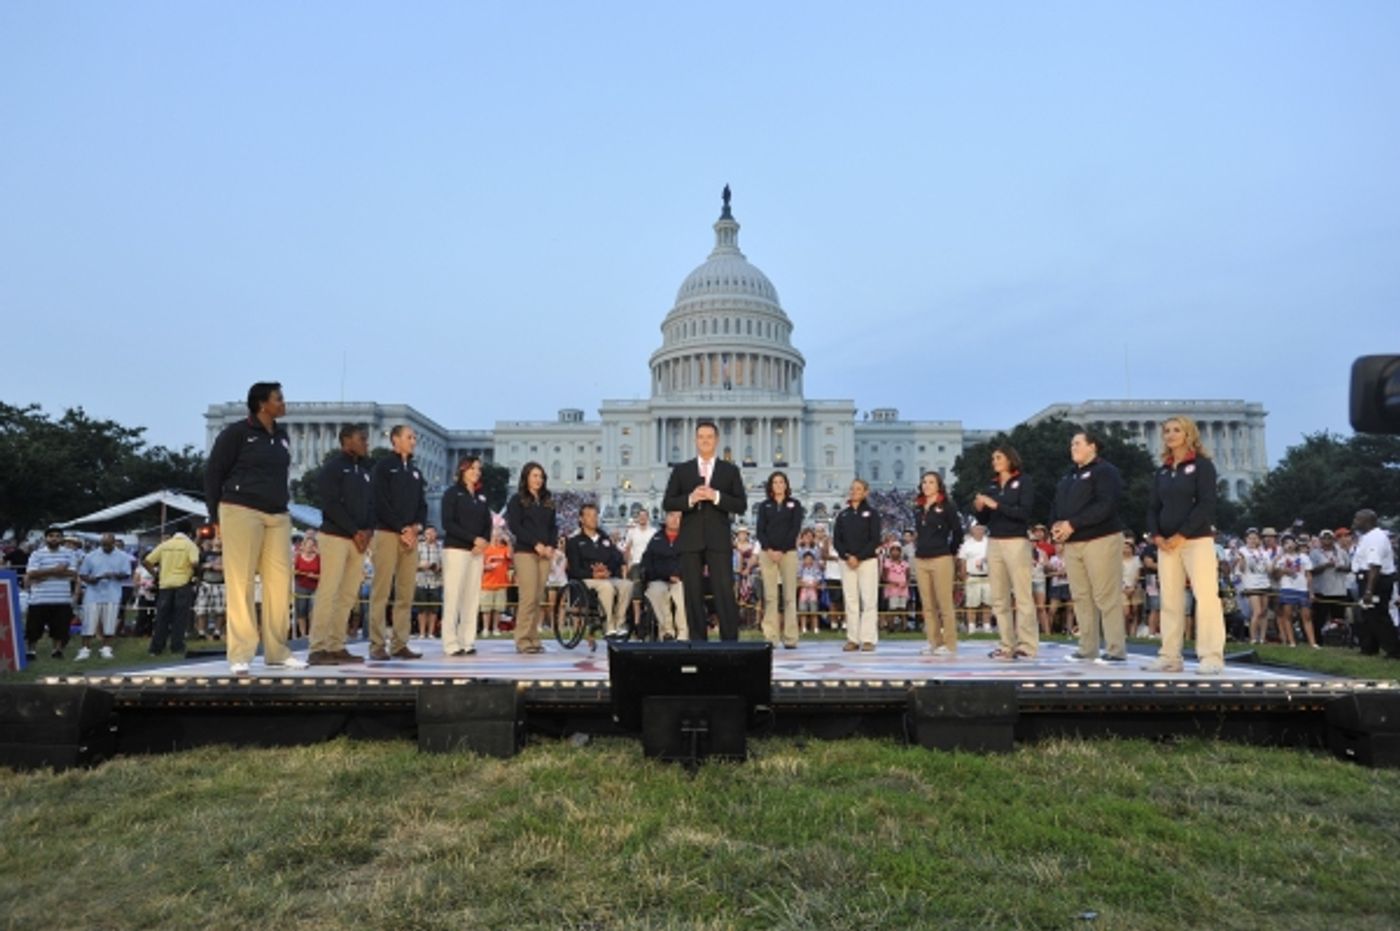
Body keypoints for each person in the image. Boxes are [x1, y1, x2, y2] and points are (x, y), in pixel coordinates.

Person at [205, 382, 305, 675]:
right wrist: (214, 516)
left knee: (279, 584)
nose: (284, 403)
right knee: (241, 582)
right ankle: (241, 652)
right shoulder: (237, 433)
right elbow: (213, 473)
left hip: (277, 514)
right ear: (263, 404)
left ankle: (277, 651)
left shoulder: (282, 436)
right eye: (279, 399)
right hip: (240, 509)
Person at [1144, 416, 1227, 674]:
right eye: (1166, 431)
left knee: (1206, 597)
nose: (1170, 435)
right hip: (1166, 544)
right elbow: (1153, 507)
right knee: (1169, 600)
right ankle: (1169, 655)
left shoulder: (1202, 466)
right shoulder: (1163, 471)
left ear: (1188, 433)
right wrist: (1155, 535)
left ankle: (1211, 656)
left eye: (1176, 430)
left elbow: (1206, 505)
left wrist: (1182, 534)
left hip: (1195, 540)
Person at [662, 421, 748, 641]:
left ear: (717, 440)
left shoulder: (730, 470)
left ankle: (730, 642)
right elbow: (668, 502)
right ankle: (698, 642)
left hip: (718, 539)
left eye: (709, 437)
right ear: (695, 440)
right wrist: (691, 498)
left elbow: (741, 504)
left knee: (724, 593)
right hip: (691, 540)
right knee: (692, 594)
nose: (705, 441)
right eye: (701, 437)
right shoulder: (682, 470)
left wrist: (715, 496)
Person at [1051, 429, 1127, 663]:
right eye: (1071, 444)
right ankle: (1087, 647)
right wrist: (1055, 525)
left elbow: (1106, 505)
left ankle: (1115, 649)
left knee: (1106, 595)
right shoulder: (1069, 476)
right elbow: (1056, 504)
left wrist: (1073, 523)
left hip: (1100, 538)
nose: (1072, 447)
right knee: (1081, 596)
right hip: (1073, 543)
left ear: (1092, 446)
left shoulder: (1105, 471)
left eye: (1077, 443)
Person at [307, 423, 372, 666]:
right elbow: (331, 504)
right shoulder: (333, 468)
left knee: (348, 595)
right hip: (336, 536)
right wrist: (355, 530)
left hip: (359, 540)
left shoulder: (364, 471)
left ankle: (336, 645)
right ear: (346, 440)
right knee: (329, 591)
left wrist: (368, 530)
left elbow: (371, 504)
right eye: (361, 438)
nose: (366, 442)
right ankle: (317, 647)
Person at [973, 445, 1039, 660]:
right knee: (999, 598)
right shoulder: (991, 485)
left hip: (1016, 541)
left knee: (1022, 595)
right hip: (995, 541)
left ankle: (1027, 645)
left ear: (1010, 459)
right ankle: (1006, 644)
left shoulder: (1024, 481)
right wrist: (980, 508)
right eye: (993, 458)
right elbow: (984, 520)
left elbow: (1024, 513)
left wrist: (996, 505)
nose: (994, 461)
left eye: (998, 457)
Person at [369, 424, 427, 661]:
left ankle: (400, 643)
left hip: (410, 538)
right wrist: (401, 527)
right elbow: (379, 501)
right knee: (381, 590)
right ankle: (376, 644)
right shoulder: (383, 467)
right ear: (395, 440)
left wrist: (416, 527)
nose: (413, 441)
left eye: (414, 437)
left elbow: (422, 505)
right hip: (387, 533)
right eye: (409, 437)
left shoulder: (415, 471)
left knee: (405, 592)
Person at [440, 457, 492, 657]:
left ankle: (467, 640)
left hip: (476, 553)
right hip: (456, 549)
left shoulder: (481, 496)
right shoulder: (452, 493)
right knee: (454, 597)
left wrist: (484, 541)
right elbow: (448, 523)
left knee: (471, 597)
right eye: (472, 468)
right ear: (463, 470)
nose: (476, 472)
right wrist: (473, 539)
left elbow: (487, 522)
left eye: (479, 469)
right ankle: (450, 642)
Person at [505, 462, 557, 653]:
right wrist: (536, 544)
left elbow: (553, 526)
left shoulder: (547, 500)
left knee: (537, 597)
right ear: (526, 477)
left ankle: (533, 637)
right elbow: (516, 527)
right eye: (535, 476)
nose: (538, 480)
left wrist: (550, 545)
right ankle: (522, 639)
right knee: (527, 597)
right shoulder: (517, 499)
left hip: (544, 554)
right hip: (526, 551)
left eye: (541, 476)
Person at [913, 471, 962, 657]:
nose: (926, 485)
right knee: (927, 604)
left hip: (941, 557)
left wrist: (951, 550)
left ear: (939, 485)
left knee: (944, 603)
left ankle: (949, 644)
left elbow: (957, 530)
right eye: (924, 482)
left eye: (931, 482)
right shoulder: (918, 507)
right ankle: (933, 642)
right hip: (921, 557)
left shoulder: (947, 506)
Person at [566, 502, 633, 637]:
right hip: (585, 579)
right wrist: (593, 574)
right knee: (606, 586)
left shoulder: (605, 539)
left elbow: (617, 559)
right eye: (589, 515)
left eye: (595, 515)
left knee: (627, 585)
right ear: (581, 519)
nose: (593, 518)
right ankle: (608, 624)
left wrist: (607, 570)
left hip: (606, 576)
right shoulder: (574, 542)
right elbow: (574, 570)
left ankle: (620, 623)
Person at [755, 470, 804, 649]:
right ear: (771, 486)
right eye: (775, 482)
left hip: (788, 553)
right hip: (768, 553)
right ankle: (771, 636)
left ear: (786, 485)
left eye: (781, 482)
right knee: (770, 596)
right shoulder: (764, 506)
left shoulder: (795, 504)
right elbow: (760, 530)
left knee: (790, 597)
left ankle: (791, 637)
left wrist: (782, 550)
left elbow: (795, 529)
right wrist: (769, 549)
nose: (778, 485)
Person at [833, 478, 882, 652]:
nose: (854, 492)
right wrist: (847, 556)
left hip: (866, 561)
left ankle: (868, 638)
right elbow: (837, 540)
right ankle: (852, 638)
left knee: (869, 600)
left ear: (865, 492)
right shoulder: (843, 515)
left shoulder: (872, 514)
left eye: (858, 489)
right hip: (847, 561)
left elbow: (875, 538)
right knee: (851, 600)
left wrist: (859, 556)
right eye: (852, 488)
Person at [24, 526, 80, 661]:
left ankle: (57, 650)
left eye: (57, 536)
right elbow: (31, 573)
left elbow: (72, 573)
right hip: (39, 598)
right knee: (33, 627)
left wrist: (43, 574)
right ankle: (31, 651)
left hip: (61, 597)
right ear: (45, 538)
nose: (54, 538)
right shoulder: (37, 554)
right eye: (51, 536)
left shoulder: (69, 553)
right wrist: (56, 570)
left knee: (60, 627)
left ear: (61, 538)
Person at [76, 533, 133, 660]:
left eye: (108, 545)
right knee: (88, 623)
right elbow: (83, 574)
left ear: (114, 543)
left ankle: (106, 648)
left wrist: (114, 575)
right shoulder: (91, 556)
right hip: (93, 593)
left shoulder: (122, 556)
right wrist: (92, 579)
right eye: (103, 545)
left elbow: (127, 574)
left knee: (110, 622)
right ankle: (85, 649)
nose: (105, 547)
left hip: (112, 593)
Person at [144, 530, 201, 657]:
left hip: (165, 584)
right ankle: (177, 646)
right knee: (180, 617)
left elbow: (147, 561)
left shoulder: (165, 544)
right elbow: (195, 562)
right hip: (182, 584)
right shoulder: (190, 545)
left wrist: (156, 575)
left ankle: (156, 648)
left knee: (162, 617)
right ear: (189, 533)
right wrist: (196, 575)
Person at [1351, 509, 1398, 658]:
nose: (1355, 521)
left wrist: (1369, 590)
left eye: (1358, 519)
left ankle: (1394, 650)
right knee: (1367, 614)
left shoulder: (1375, 538)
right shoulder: (1367, 537)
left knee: (1378, 615)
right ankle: (1369, 647)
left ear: (1367, 521)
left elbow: (1375, 565)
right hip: (1366, 578)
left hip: (1376, 581)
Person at [642, 511, 688, 640]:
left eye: (679, 517)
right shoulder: (656, 539)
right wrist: (666, 576)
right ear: (665, 518)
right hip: (659, 578)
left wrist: (678, 575)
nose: (675, 519)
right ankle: (667, 631)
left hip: (681, 579)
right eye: (672, 516)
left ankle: (683, 633)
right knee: (657, 591)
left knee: (682, 592)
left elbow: (692, 562)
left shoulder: (688, 538)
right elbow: (647, 563)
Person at [1273, 534, 1312, 648]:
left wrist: (1311, 591)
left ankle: (1312, 642)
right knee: (1287, 615)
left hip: (1302, 588)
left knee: (1306, 616)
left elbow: (1309, 575)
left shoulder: (1304, 557)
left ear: (1295, 543)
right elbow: (1275, 576)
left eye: (1291, 542)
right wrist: (1283, 571)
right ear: (1283, 546)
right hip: (1287, 587)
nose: (1289, 545)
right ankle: (1291, 642)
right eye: (1286, 543)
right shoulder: (1280, 558)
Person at [957, 523, 990, 633]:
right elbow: (962, 560)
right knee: (971, 603)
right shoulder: (967, 544)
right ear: (972, 530)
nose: (979, 531)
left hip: (987, 576)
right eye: (976, 529)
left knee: (987, 602)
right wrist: (963, 576)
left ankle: (987, 626)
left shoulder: (989, 542)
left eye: (981, 528)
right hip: (972, 576)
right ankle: (971, 627)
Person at [415, 526, 444, 640]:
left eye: (432, 533)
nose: (430, 536)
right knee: (421, 609)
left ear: (436, 534)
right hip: (421, 580)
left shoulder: (440, 547)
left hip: (435, 581)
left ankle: (431, 633)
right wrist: (421, 566)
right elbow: (412, 564)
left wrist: (437, 567)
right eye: (427, 533)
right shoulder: (418, 547)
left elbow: (444, 564)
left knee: (434, 609)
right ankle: (422, 633)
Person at [292, 535, 320, 639]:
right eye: (308, 545)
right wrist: (298, 572)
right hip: (301, 585)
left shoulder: (318, 557)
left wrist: (315, 576)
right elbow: (293, 570)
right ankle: (303, 634)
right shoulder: (298, 557)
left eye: (312, 545)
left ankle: (312, 633)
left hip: (314, 586)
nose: (309, 547)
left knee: (313, 610)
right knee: (301, 609)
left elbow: (324, 574)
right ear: (303, 546)